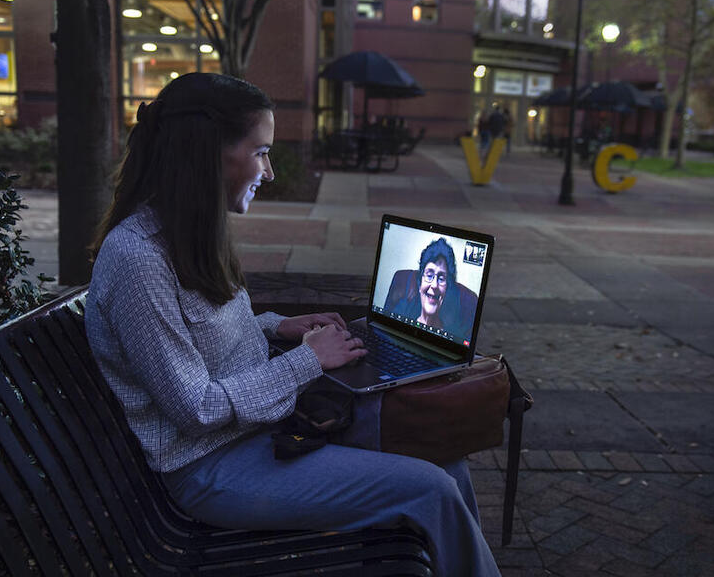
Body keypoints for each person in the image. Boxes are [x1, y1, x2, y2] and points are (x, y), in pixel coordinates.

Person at [84, 73, 500, 577]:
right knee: (431, 489)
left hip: (263, 431)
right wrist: (309, 359)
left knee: (443, 455)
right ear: (209, 153)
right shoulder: (138, 259)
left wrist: (277, 327)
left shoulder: (187, 232)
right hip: (211, 467)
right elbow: (196, 409)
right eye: (261, 152)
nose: (271, 171)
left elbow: (197, 336)